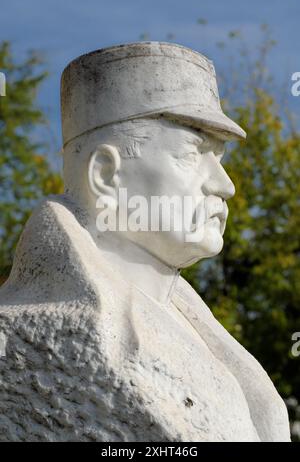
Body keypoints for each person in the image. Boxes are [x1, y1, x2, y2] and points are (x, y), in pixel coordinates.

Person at [0, 42, 290, 442]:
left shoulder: (198, 328)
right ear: (105, 175)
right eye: (193, 154)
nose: (226, 186)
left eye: (219, 159)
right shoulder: (18, 337)